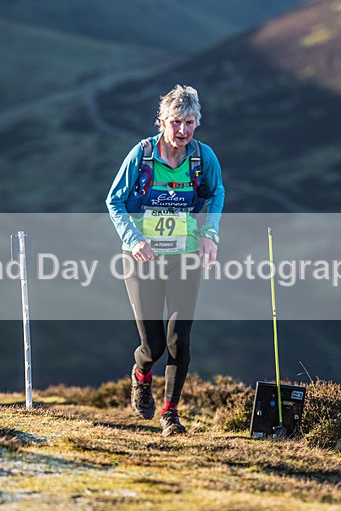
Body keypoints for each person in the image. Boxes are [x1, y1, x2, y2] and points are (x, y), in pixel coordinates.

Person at [105, 85, 225, 436]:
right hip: (142, 259)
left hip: (184, 255)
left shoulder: (203, 157)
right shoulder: (141, 155)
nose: (183, 130)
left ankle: (170, 415)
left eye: (190, 122)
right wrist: (134, 239)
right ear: (162, 120)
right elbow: (114, 200)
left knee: (179, 340)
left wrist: (209, 233)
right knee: (154, 345)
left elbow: (216, 193)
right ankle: (141, 374)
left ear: (197, 122)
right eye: (176, 122)